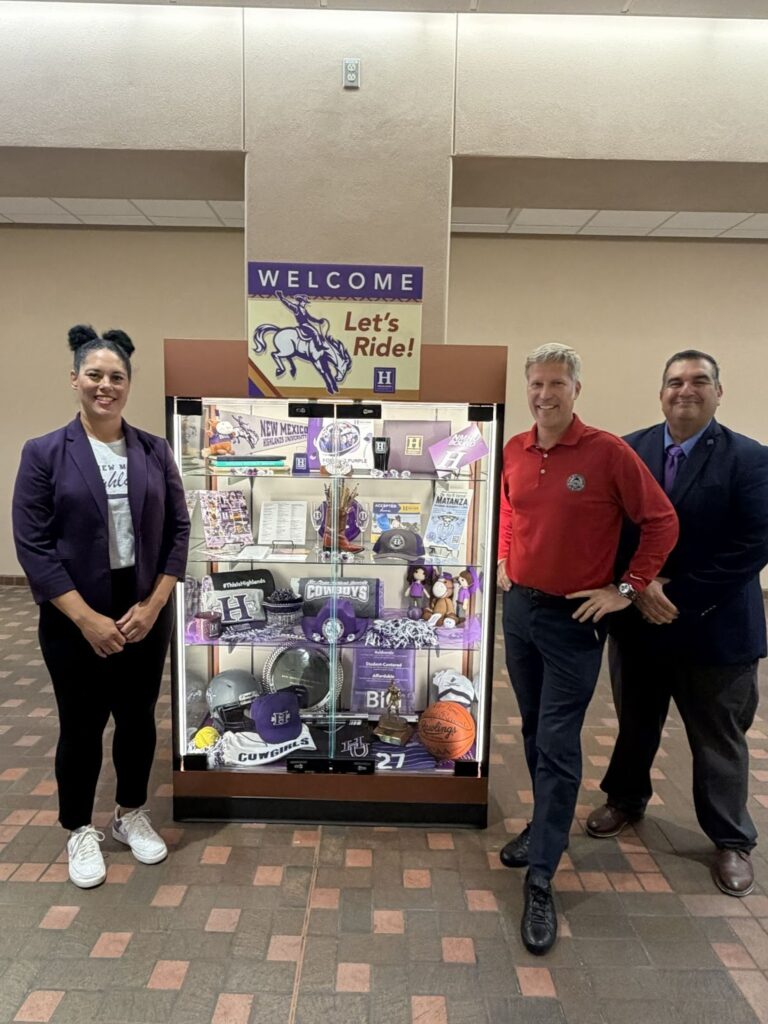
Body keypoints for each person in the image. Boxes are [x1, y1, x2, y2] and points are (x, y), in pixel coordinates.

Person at [497, 343, 678, 955]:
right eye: (535, 384)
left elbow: (661, 521)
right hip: (519, 611)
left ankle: (543, 873)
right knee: (531, 730)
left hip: (574, 618)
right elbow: (509, 505)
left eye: (555, 384)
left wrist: (626, 589)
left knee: (557, 739)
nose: (544, 395)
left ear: (576, 389)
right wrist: (504, 555)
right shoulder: (515, 449)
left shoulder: (607, 452)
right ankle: (544, 825)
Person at [12, 325, 190, 889]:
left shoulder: (153, 450)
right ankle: (78, 829)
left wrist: (154, 601)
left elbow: (179, 531)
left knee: (137, 719)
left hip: (143, 608)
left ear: (128, 385)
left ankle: (130, 814)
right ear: (75, 380)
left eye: (116, 377)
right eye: (95, 375)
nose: (105, 385)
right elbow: (33, 545)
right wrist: (86, 618)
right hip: (72, 615)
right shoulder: (44, 453)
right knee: (82, 724)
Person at [586, 350, 768, 898]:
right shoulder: (627, 450)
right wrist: (635, 589)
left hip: (715, 629)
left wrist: (678, 595)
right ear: (660, 391)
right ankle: (624, 799)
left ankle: (731, 839)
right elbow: (605, 529)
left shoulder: (750, 459)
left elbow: (753, 545)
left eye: (698, 381)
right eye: (674, 381)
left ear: (718, 391)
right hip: (639, 622)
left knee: (718, 737)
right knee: (636, 720)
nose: (685, 390)